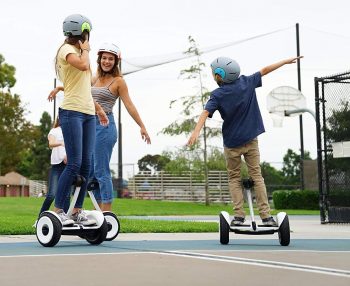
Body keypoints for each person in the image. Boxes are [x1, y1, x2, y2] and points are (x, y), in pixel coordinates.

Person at [187, 55, 303, 226]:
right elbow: (264, 70)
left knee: (234, 178)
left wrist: (195, 132)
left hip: (232, 143)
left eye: (213, 73)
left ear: (219, 75)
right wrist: (284, 61)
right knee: (257, 176)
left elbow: (205, 112)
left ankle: (239, 216)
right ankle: (266, 216)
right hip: (251, 140)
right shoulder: (247, 82)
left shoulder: (218, 94)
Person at [50, 14, 108, 226]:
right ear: (82, 32)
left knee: (87, 166)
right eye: (86, 33)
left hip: (87, 113)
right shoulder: (67, 50)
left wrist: (98, 109)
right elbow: (83, 66)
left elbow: (83, 86)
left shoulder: (81, 53)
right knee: (73, 163)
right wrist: (86, 49)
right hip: (71, 112)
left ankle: (77, 210)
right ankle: (58, 211)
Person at [89, 43, 151, 211]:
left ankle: (106, 211)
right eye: (104, 58)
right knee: (90, 172)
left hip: (105, 127)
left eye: (110, 59)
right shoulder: (94, 78)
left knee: (101, 171)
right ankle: (97, 210)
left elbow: (129, 105)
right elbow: (80, 91)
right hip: (89, 126)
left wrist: (142, 126)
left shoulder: (118, 82)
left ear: (115, 61)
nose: (106, 61)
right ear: (99, 59)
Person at [38, 117, 70, 217]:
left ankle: (65, 219)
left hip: (68, 166)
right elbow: (50, 144)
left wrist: (69, 155)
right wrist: (61, 143)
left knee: (67, 196)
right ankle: (40, 218)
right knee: (51, 195)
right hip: (56, 166)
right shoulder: (54, 131)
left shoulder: (72, 131)